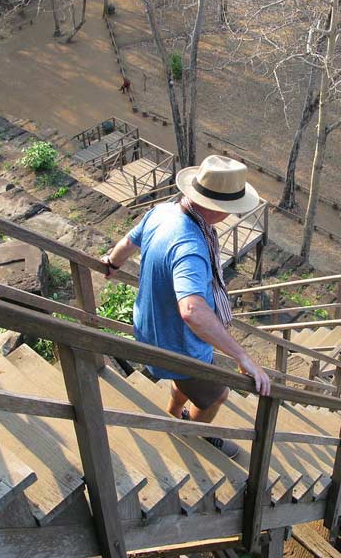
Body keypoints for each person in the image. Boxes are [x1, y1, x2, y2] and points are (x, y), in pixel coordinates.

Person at [101, 155, 271, 458]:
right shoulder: (191, 246)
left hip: (148, 326)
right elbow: (192, 310)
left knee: (188, 379)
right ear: (220, 210)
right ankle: (195, 434)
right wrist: (242, 356)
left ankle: (175, 411)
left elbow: (129, 242)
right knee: (218, 395)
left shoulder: (163, 211)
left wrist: (112, 262)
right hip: (176, 342)